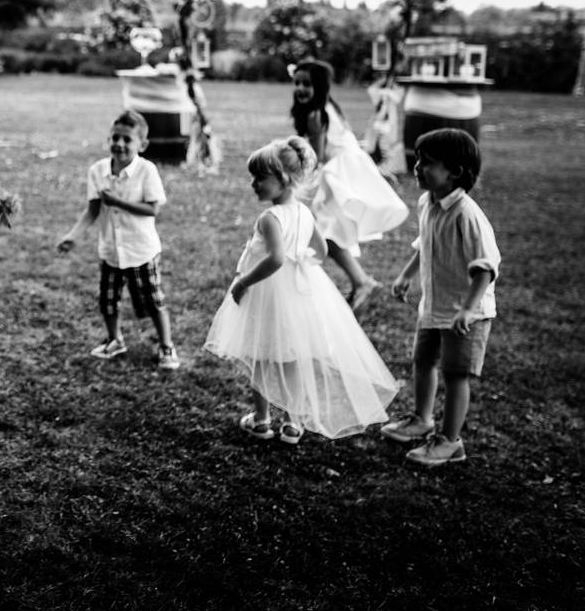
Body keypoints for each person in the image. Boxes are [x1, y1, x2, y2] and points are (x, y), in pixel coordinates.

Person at [204, 137, 398, 443]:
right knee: (291, 357)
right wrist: (304, 264)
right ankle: (293, 423)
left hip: (269, 294)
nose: (254, 184)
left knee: (261, 355)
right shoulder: (305, 213)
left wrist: (243, 282)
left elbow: (276, 258)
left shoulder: (270, 218)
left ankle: (261, 419)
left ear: (282, 180)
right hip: (298, 294)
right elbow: (320, 251)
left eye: (260, 178)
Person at [381, 129, 500, 466]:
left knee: (455, 374)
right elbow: (426, 245)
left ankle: (450, 442)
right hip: (433, 307)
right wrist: (406, 275)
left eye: (428, 163)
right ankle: (421, 419)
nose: (417, 168)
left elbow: (485, 268)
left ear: (456, 172)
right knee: (423, 361)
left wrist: (466, 309)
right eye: (418, 160)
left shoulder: (467, 214)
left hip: (466, 314)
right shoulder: (427, 201)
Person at [57, 109, 179, 370]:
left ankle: (166, 345)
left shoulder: (147, 170)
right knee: (108, 300)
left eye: (127, 139)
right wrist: (73, 236)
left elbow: (153, 209)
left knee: (154, 301)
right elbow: (92, 210)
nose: (120, 144)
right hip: (111, 250)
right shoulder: (97, 170)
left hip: (141, 251)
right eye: (115, 137)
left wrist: (118, 203)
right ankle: (115, 340)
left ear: (142, 144)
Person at [290, 59, 409, 315]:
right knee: (328, 231)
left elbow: (317, 156)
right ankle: (360, 281)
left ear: (319, 87)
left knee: (327, 233)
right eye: (297, 83)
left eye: (307, 84)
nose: (300, 88)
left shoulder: (315, 115)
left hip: (340, 171)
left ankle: (362, 282)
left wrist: (296, 172)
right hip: (348, 166)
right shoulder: (327, 106)